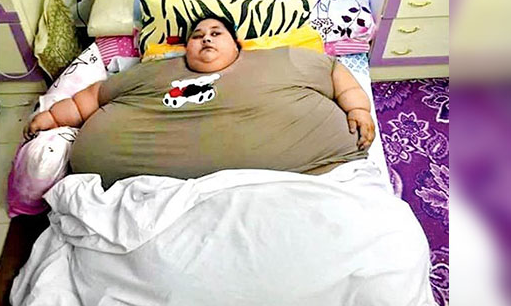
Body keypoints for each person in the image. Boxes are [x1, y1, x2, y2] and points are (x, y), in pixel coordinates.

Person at [24, 16, 376, 185]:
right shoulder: (154, 71)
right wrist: (52, 117)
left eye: (216, 33)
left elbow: (335, 71)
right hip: (149, 192)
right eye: (197, 36)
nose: (206, 39)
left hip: (306, 179)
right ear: (185, 47)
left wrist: (358, 108)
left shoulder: (281, 59)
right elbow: (92, 97)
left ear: (237, 44)